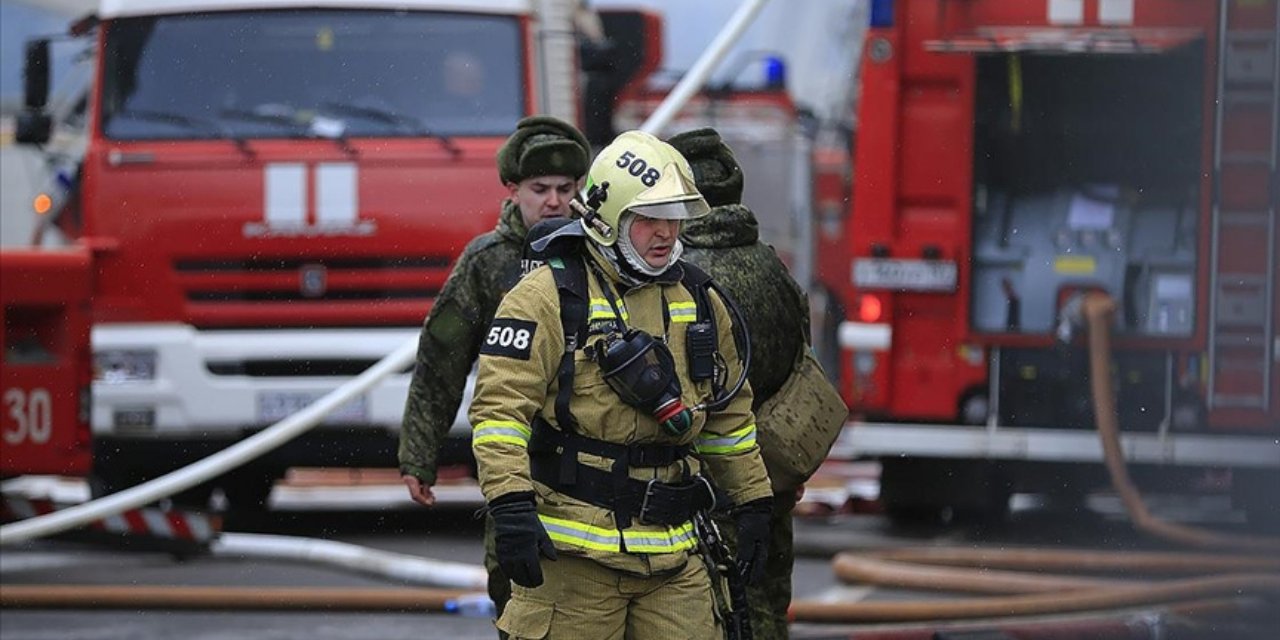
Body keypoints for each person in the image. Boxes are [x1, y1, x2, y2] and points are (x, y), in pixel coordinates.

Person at [470, 130, 774, 639]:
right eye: (649, 219)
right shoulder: (545, 298)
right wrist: (510, 504)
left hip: (675, 559)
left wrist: (754, 502)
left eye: (673, 219)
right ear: (608, 221)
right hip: (572, 560)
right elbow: (499, 413)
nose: (665, 234)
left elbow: (727, 419)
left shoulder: (700, 300)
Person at [398, 114, 591, 624]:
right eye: (540, 189)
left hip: (592, 459)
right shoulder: (486, 262)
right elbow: (441, 362)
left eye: (565, 189)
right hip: (515, 462)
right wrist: (419, 455)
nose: (554, 201)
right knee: (514, 591)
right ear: (512, 189)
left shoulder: (598, 254)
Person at [672, 127, 847, 640]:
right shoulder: (773, 267)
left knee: (717, 611)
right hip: (776, 469)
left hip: (711, 483)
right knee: (768, 600)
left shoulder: (683, 279)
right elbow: (801, 360)